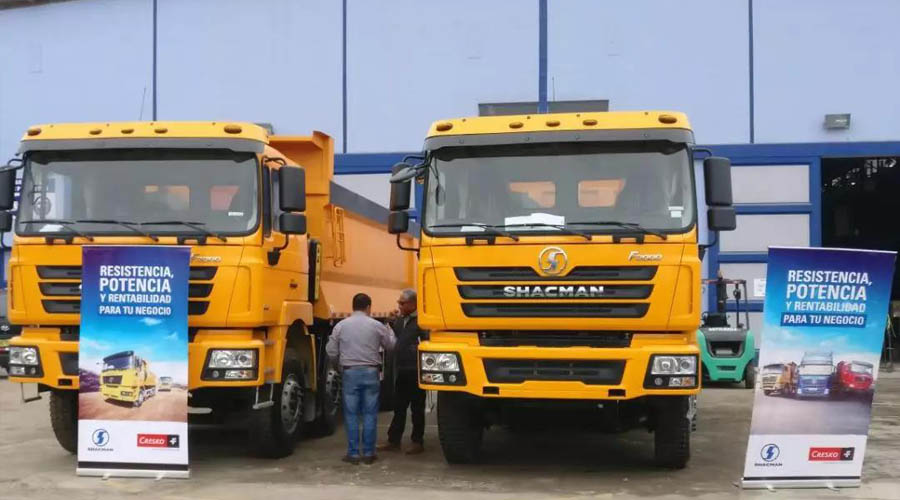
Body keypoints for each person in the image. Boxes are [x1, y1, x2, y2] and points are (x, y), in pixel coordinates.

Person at [326, 293, 395, 465]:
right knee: (370, 414)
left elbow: (331, 351)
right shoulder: (376, 325)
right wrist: (390, 329)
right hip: (371, 372)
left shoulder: (341, 326)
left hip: (350, 373)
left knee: (351, 414)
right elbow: (391, 345)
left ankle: (353, 453)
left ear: (353, 306)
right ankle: (370, 453)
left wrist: (338, 366)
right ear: (368, 307)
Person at [378, 289, 429, 454]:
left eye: (402, 303)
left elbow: (428, 342)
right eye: (399, 302)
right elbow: (398, 335)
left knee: (417, 408)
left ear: (413, 304)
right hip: (401, 369)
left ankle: (417, 441)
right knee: (399, 407)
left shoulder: (422, 322)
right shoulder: (400, 321)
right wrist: (391, 321)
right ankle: (394, 440)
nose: (399, 305)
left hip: (415, 370)